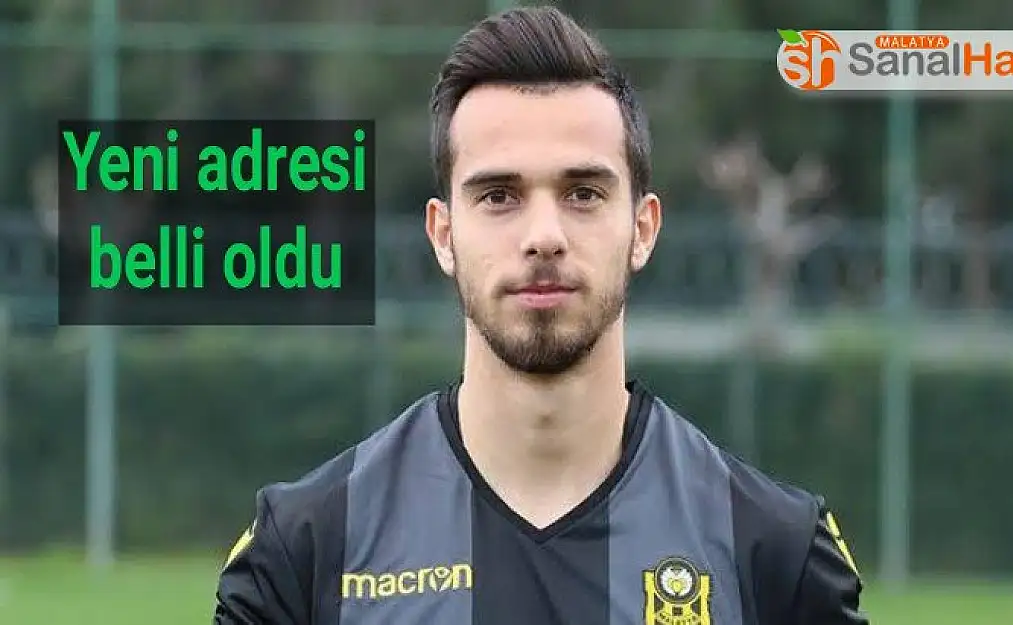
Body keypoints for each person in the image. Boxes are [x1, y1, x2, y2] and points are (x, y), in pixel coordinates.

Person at [213, 6, 869, 624]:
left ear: (643, 228)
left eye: (583, 193)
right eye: (499, 195)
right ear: (443, 234)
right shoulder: (304, 551)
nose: (544, 235)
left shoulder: (774, 553)